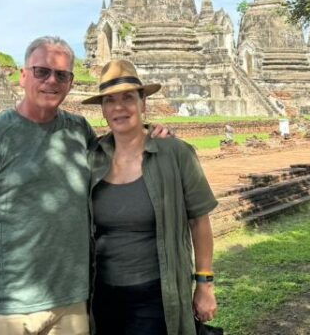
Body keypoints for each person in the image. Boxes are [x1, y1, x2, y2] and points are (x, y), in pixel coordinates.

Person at [0, 36, 170, 335]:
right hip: (9, 307)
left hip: (71, 302)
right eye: (42, 71)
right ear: (23, 76)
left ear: (70, 82)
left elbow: (121, 151)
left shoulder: (78, 131)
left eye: (62, 75)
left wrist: (151, 134)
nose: (52, 81)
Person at [83, 60, 218, 335]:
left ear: (143, 103)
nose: (119, 107)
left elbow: (199, 222)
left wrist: (204, 285)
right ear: (103, 110)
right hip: (102, 294)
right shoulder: (91, 158)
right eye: (110, 101)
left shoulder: (175, 154)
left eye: (128, 98)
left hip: (156, 293)